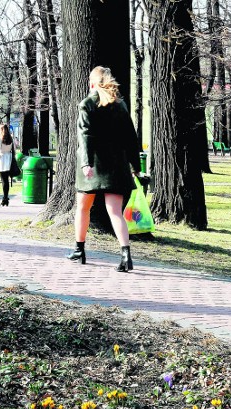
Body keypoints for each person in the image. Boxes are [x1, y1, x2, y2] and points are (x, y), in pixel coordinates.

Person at [67, 65, 141, 272]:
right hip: (117, 165)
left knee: (82, 207)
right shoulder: (121, 106)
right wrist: (136, 166)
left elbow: (86, 135)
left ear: (91, 83)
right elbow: (131, 137)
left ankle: (79, 249)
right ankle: (126, 255)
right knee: (115, 212)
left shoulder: (87, 104)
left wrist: (86, 163)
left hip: (94, 165)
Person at [0, 123, 16, 206]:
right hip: (8, 160)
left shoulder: (0, 139)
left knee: (3, 180)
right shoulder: (10, 139)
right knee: (6, 181)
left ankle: (4, 199)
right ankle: (6, 197)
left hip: (1, 160)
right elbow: (12, 150)